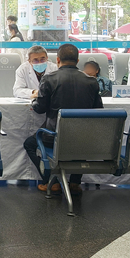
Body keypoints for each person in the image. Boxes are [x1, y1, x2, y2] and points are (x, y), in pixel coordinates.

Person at [24, 44, 103, 194]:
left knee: (29, 144)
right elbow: (98, 110)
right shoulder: (92, 81)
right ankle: (75, 183)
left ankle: (50, 181)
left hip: (53, 136)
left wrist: (34, 101)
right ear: (78, 61)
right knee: (81, 144)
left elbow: (40, 108)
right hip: (82, 136)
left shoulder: (49, 79)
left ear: (58, 60)